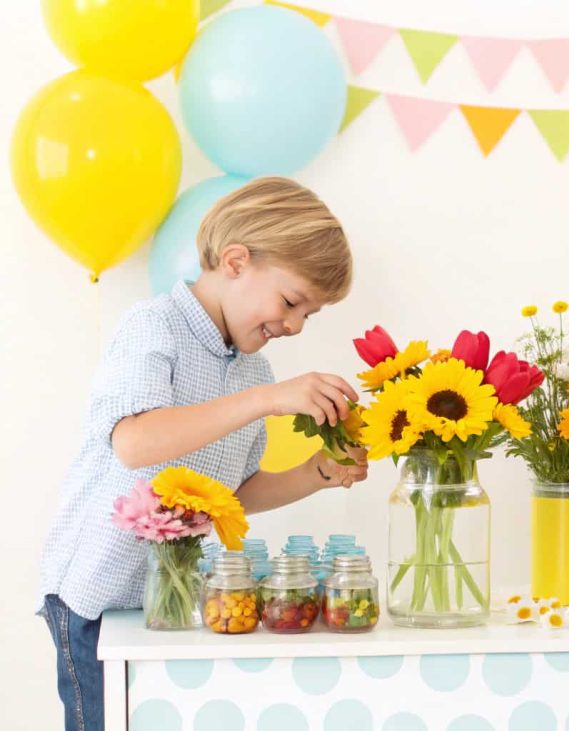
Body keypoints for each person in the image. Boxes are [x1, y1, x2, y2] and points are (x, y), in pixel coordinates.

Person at [37, 177, 368, 730]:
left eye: (308, 315)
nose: (293, 326)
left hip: (168, 604)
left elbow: (233, 494)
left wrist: (317, 472)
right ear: (235, 262)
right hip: (97, 600)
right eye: (291, 302)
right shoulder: (153, 327)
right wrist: (266, 400)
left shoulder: (253, 371)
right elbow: (135, 442)